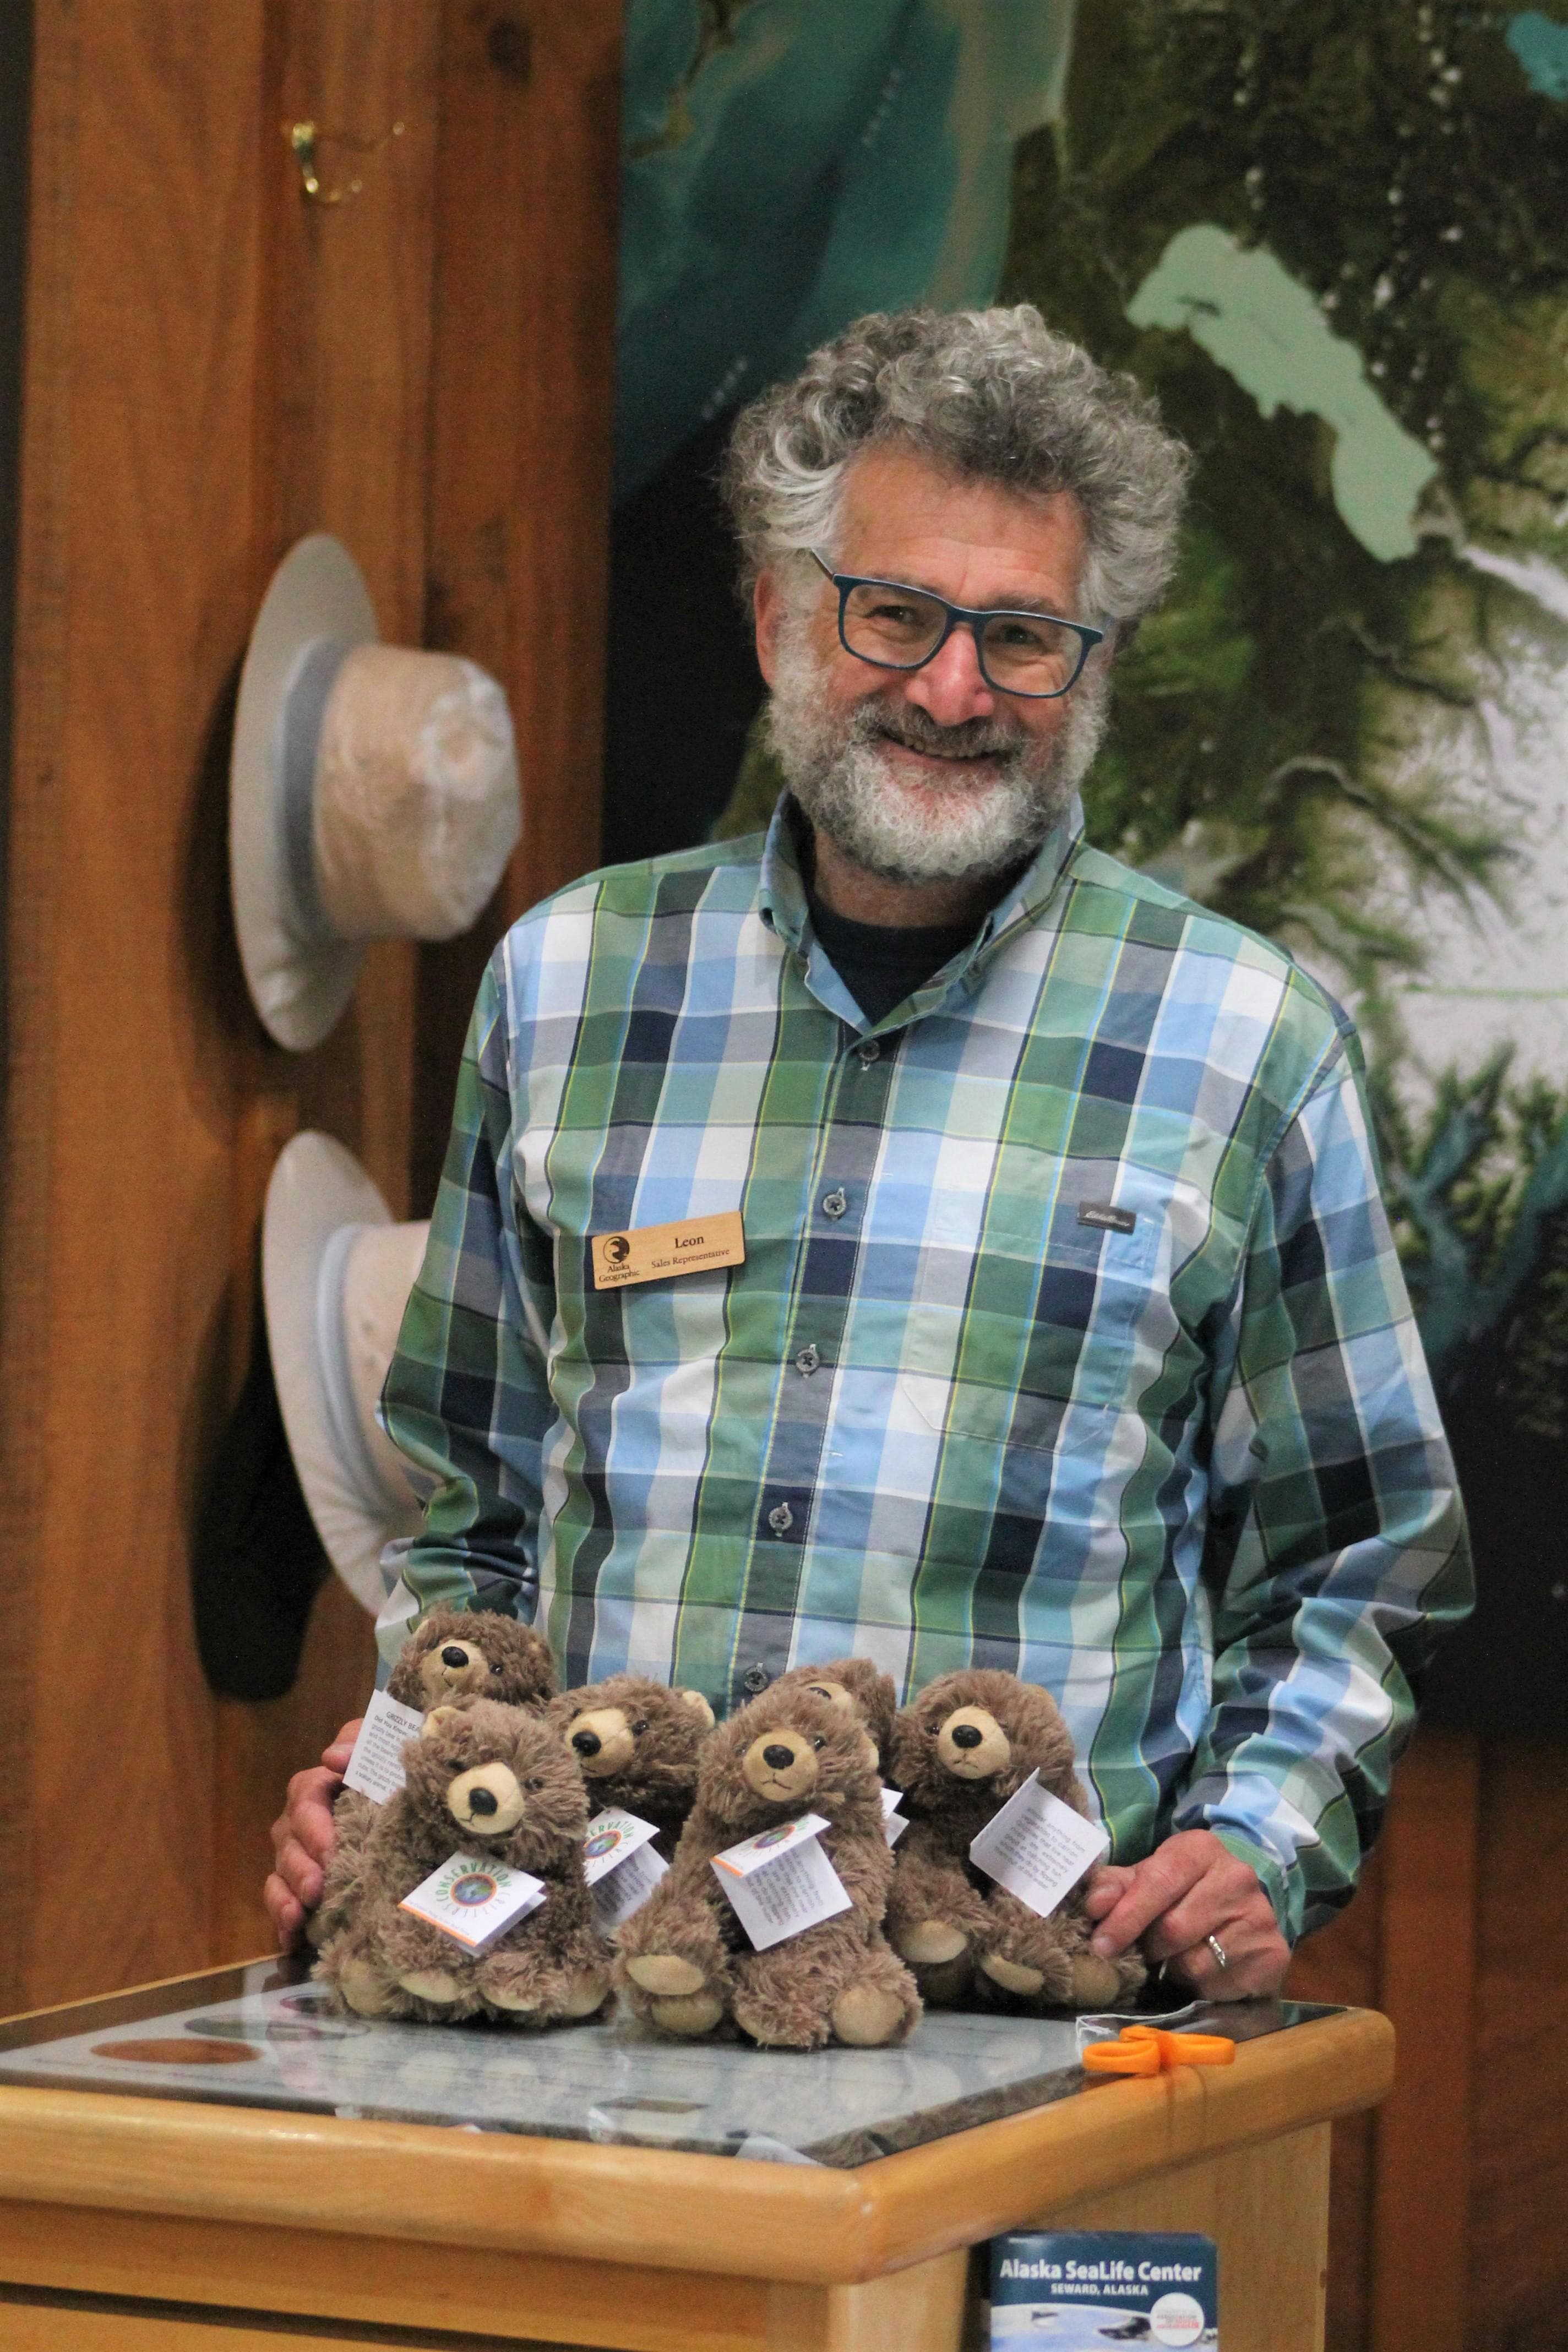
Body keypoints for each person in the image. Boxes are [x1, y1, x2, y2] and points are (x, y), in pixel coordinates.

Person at [268, 307, 1472, 1999]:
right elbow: (473, 1522)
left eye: (1026, 637)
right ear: (776, 618)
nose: (954, 688)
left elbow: (1357, 1557)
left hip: (1029, 2023)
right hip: (606, 2002)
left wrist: (1261, 1840)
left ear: (1095, 670)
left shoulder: (1248, 1044)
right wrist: (400, 1790)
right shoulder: (566, 988)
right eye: (894, 614)